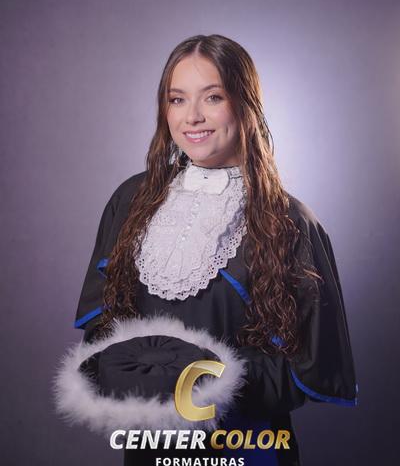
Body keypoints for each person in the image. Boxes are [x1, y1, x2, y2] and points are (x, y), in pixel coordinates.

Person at [71, 34, 358, 465]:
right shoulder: (130, 201)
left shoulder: (288, 222)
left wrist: (206, 382)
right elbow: (102, 327)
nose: (193, 116)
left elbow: (307, 367)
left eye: (213, 97)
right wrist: (139, 374)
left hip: (247, 448)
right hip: (152, 447)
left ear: (245, 105)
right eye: (178, 99)